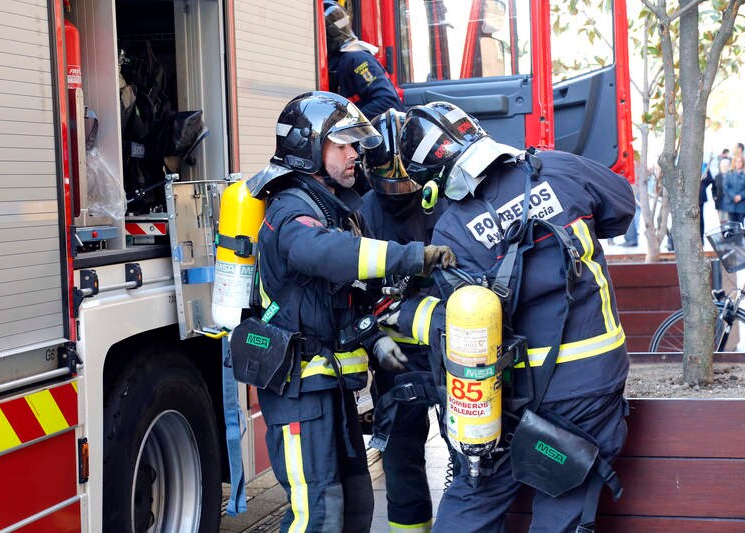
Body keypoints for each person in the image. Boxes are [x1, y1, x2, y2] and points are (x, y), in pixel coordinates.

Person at [392, 101, 634, 532]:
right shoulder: (560, 169)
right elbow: (622, 208)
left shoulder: (452, 228)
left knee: (475, 496)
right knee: (564, 505)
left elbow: (461, 321)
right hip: (591, 385)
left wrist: (404, 312)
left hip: (508, 399)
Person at [244, 91, 456, 532]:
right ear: (309, 149)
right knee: (317, 515)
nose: (354, 154)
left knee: (355, 507)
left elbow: (343, 297)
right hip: (299, 395)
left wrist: (375, 338)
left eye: (354, 144)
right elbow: (325, 255)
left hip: (331, 391)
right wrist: (409, 256)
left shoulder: (333, 209)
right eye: (341, 145)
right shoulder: (290, 210)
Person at [358, 108, 450, 533]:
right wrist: (374, 338)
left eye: (404, 185)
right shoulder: (361, 213)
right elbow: (354, 293)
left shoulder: (444, 199)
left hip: (449, 350)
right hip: (394, 359)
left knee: (471, 456)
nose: (397, 194)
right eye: (387, 187)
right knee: (400, 459)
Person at [323, 0, 403, 120]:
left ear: (329, 33)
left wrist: (347, 122)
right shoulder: (336, 61)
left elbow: (387, 102)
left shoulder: (357, 59)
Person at [724, 154, 745, 224]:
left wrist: (740, 196)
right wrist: (733, 196)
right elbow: (725, 187)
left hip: (742, 205)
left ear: (743, 163)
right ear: (734, 163)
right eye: (737, 161)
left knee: (740, 226)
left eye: (740, 161)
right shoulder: (729, 174)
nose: (738, 163)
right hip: (731, 204)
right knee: (731, 225)